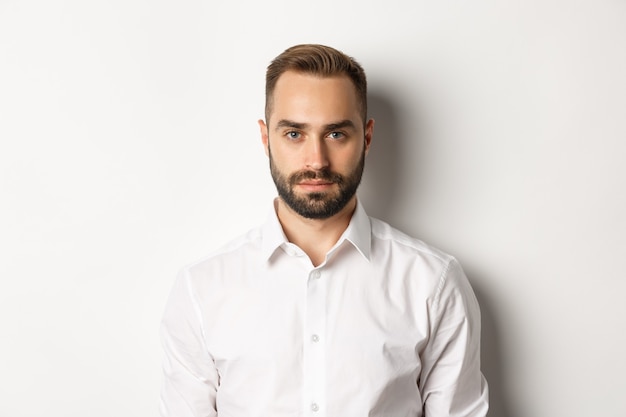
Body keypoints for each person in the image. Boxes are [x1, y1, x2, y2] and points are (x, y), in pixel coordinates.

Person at [159, 44, 489, 417]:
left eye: (335, 134)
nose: (316, 161)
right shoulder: (201, 289)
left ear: (366, 137)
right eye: (295, 134)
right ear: (266, 139)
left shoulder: (433, 283)